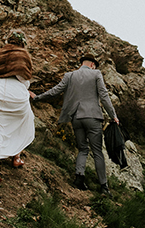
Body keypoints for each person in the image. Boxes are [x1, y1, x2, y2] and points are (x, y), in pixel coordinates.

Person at [29, 54, 119, 196]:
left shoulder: (69, 76)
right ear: (92, 64)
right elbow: (104, 95)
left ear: (82, 63)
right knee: (97, 152)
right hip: (92, 117)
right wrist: (113, 115)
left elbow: (56, 90)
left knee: (83, 149)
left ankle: (79, 178)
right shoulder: (96, 74)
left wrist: (38, 97)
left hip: (76, 117)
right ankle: (104, 187)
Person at [0, 31, 35, 183]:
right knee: (24, 122)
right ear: (22, 42)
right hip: (16, 92)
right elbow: (22, 79)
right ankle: (16, 157)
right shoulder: (23, 55)